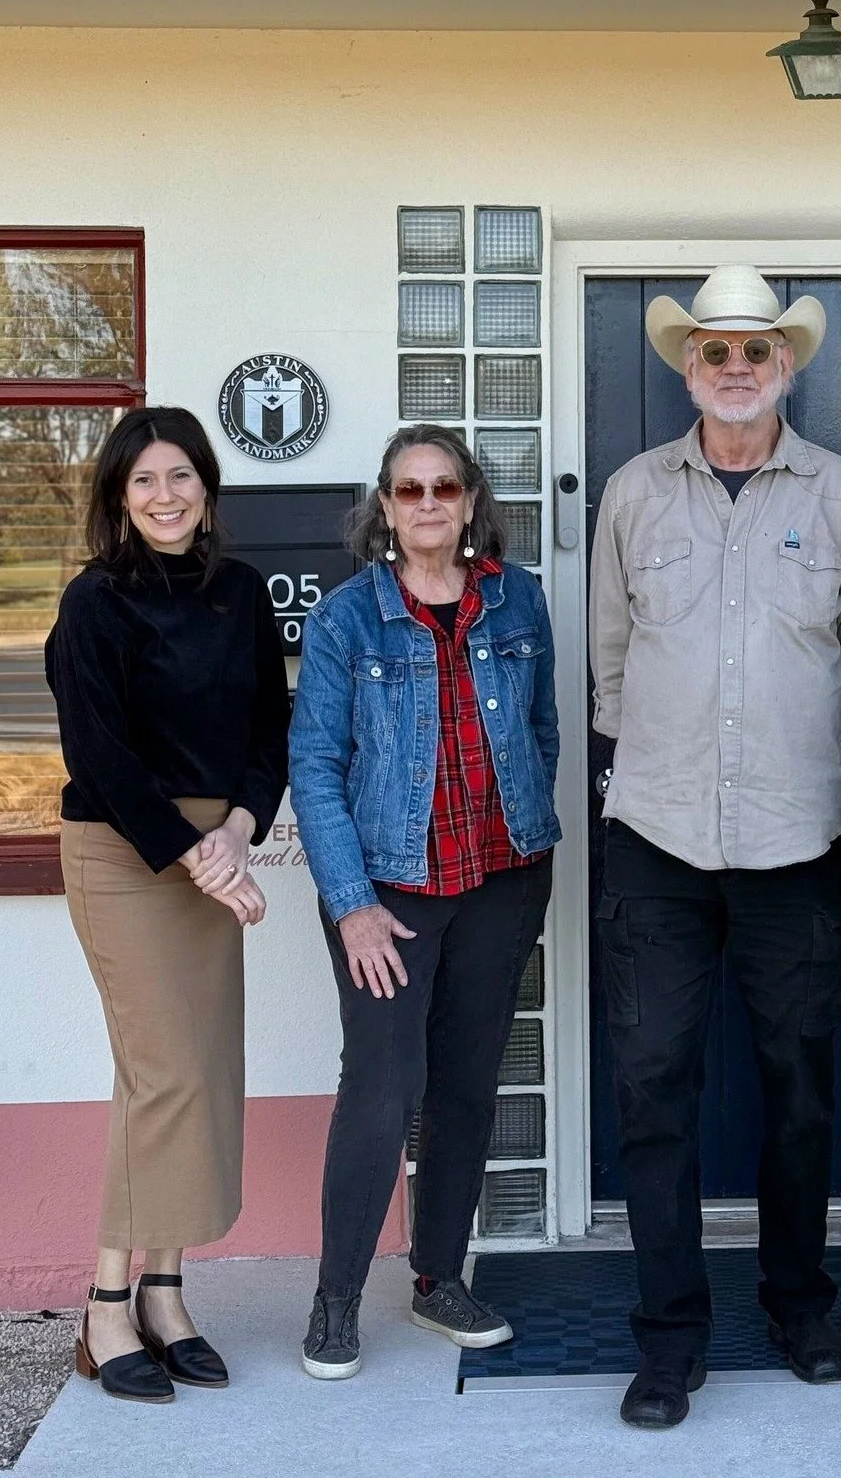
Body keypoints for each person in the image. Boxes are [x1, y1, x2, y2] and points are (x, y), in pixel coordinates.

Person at [589, 265, 841, 1429]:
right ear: (687, 367)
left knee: (800, 1094)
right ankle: (670, 1339)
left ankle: (799, 1305)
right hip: (657, 838)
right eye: (713, 349)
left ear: (786, 365)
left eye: (754, 350)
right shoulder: (632, 494)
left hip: (798, 840)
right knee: (652, 1092)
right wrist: (656, 763)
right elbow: (611, 664)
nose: (733, 368)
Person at [290, 425, 559, 1380]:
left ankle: (439, 1278)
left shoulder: (517, 599)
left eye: (446, 486)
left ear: (471, 499)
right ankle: (335, 1298)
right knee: (381, 1089)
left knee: (466, 1086)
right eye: (411, 490)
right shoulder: (346, 621)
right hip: (388, 896)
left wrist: (526, 828)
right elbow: (314, 768)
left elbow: (542, 729)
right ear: (387, 508)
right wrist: (351, 904)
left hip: (500, 880)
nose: (430, 503)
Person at [46, 406, 288, 1404]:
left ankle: (166, 1292)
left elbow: (269, 729)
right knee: (163, 1076)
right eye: (142, 479)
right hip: (124, 850)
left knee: (196, 1071)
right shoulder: (94, 602)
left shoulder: (240, 592)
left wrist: (239, 830)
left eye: (179, 475)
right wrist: (195, 855)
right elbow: (99, 755)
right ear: (118, 495)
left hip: (213, 847)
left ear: (206, 486)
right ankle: (105, 1307)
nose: (164, 495)